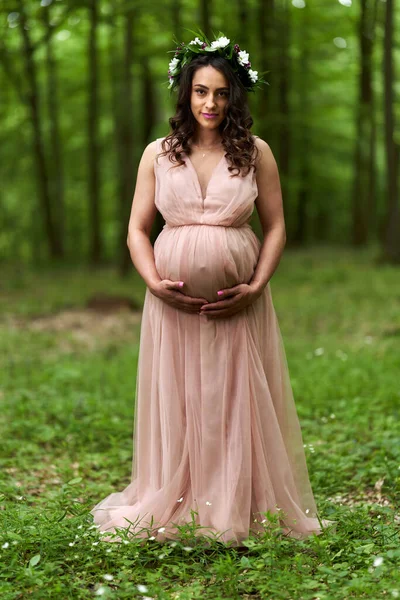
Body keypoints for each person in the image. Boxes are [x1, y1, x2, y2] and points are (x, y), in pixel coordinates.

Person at [90, 32, 334, 548]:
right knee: (182, 399)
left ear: (235, 97)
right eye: (201, 91)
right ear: (185, 92)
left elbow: (276, 228)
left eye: (222, 93)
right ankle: (182, 496)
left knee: (232, 400)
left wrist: (255, 286)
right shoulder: (158, 153)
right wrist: (154, 283)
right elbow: (136, 229)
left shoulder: (255, 152)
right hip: (171, 306)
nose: (210, 103)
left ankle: (235, 503)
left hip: (238, 304)